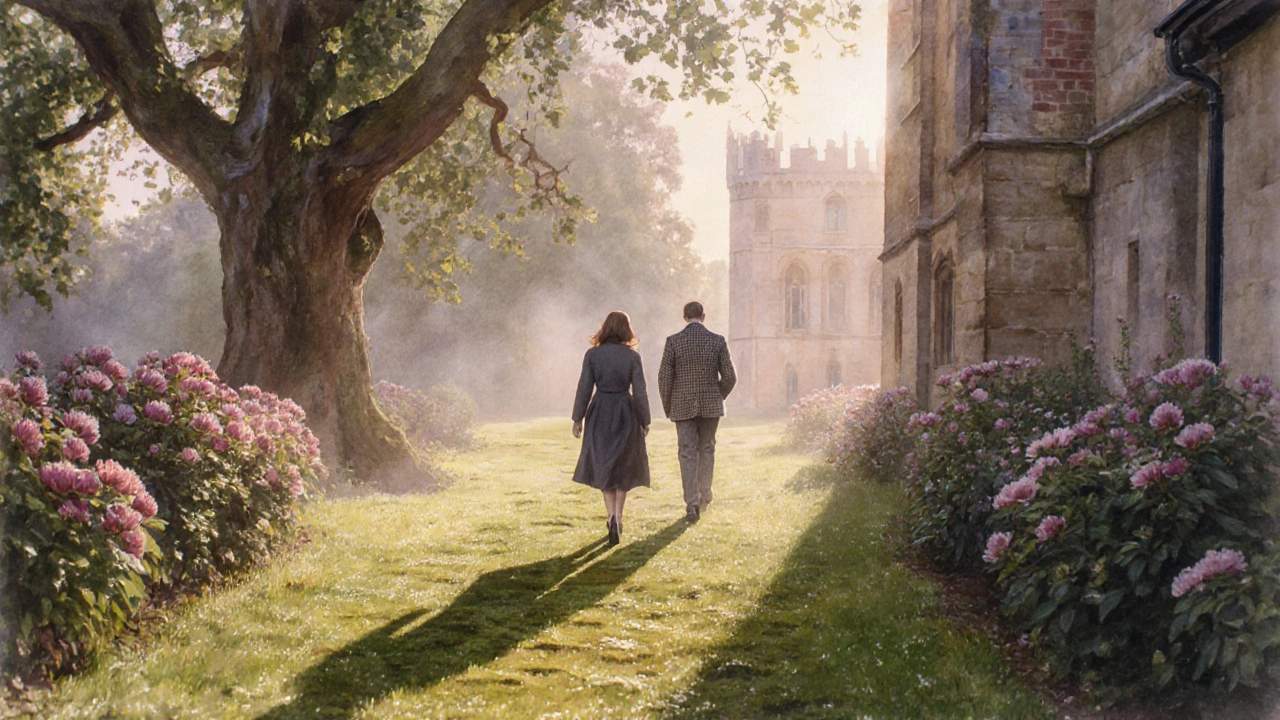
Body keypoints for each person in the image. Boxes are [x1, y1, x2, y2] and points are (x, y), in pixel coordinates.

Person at [572, 311, 652, 545]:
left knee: (604, 463)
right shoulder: (632, 357)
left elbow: (584, 387)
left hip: (600, 411)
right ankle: (618, 516)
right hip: (625, 411)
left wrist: (577, 418)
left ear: (605, 328)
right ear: (627, 329)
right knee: (622, 465)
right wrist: (645, 419)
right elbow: (640, 391)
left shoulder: (592, 355)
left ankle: (610, 517)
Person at [658, 301, 736, 524]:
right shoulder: (717, 340)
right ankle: (705, 493)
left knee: (687, 453)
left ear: (685, 317)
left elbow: (664, 378)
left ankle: (692, 503)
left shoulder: (673, 341)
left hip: (682, 405)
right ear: (703, 316)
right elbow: (730, 377)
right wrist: (718, 395)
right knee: (707, 449)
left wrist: (668, 405)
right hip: (710, 405)